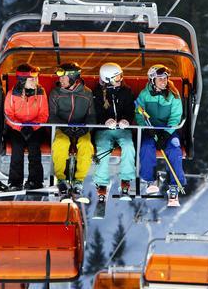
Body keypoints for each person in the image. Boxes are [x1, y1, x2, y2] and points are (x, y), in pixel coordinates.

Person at [135, 64, 185, 205]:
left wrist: (166, 134)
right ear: (152, 80)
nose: (163, 81)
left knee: (174, 149)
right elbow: (139, 113)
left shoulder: (173, 95)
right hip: (151, 128)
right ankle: (150, 179)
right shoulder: (144, 95)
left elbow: (176, 116)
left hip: (168, 131)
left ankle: (174, 185)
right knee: (146, 147)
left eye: (165, 78)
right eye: (160, 78)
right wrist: (146, 127)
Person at [49, 62, 96, 197]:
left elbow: (92, 116)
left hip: (82, 129)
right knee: (61, 143)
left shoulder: (87, 93)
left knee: (86, 145)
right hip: (61, 129)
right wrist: (64, 127)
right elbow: (52, 116)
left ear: (73, 78)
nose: (60, 80)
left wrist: (86, 128)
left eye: (63, 77)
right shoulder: (55, 93)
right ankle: (61, 178)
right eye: (60, 77)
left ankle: (79, 180)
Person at [92, 63, 136, 202]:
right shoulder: (97, 93)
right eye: (117, 77)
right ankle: (101, 183)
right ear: (107, 79)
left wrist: (126, 120)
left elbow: (130, 109)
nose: (120, 79)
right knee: (103, 149)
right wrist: (105, 121)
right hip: (104, 129)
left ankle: (126, 180)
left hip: (122, 129)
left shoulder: (126, 91)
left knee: (128, 146)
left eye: (120, 76)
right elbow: (95, 111)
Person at [4, 63, 49, 190]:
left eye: (36, 78)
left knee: (34, 147)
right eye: (31, 79)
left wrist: (33, 127)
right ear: (22, 80)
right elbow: (9, 115)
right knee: (17, 147)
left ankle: (35, 181)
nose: (35, 81)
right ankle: (15, 182)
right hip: (16, 128)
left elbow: (44, 114)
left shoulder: (40, 92)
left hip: (36, 128)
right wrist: (20, 127)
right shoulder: (12, 94)